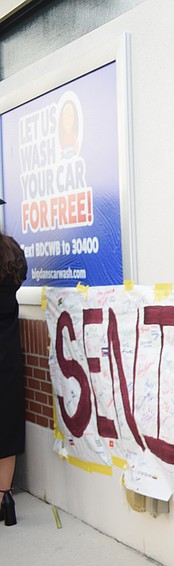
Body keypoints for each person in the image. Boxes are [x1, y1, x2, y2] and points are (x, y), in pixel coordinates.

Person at [0, 206, 28, 527]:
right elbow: (21, 279)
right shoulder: (12, 251)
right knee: (6, 424)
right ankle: (6, 496)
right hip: (7, 351)